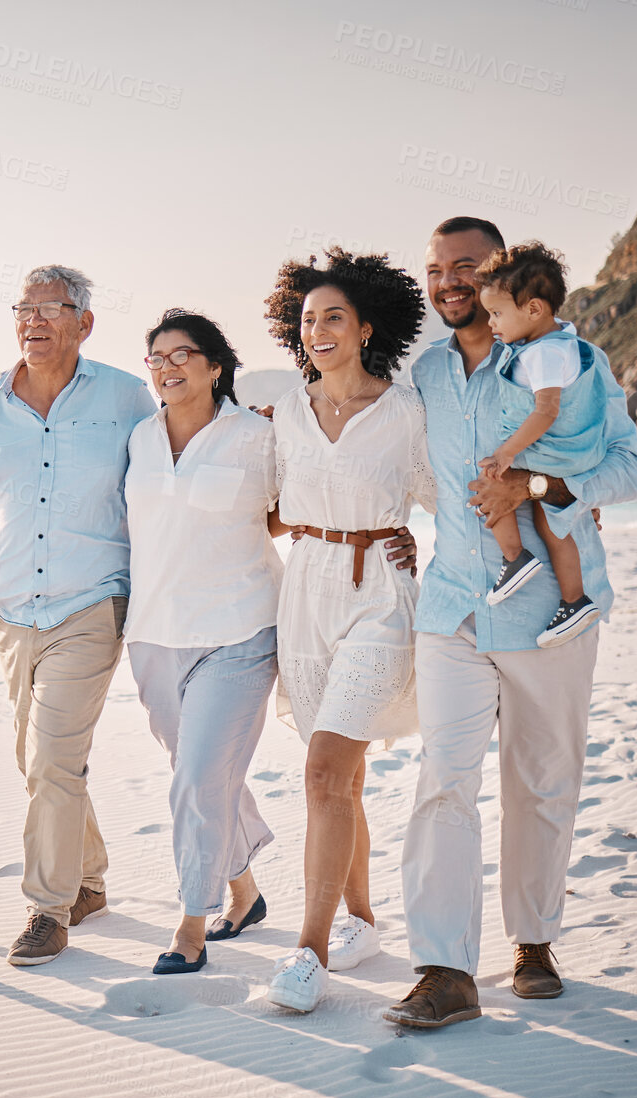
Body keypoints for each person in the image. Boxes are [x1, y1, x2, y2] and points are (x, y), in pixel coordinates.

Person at [387, 216, 637, 1030]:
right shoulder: (423, 374)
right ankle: (445, 966)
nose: (447, 281)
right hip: (454, 602)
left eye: (464, 266)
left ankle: (532, 942)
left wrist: (536, 488)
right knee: (443, 782)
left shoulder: (565, 360)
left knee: (542, 783)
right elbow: (381, 451)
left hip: (549, 615)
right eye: (434, 269)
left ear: (497, 272)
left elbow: (629, 468)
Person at [0, 264, 157, 966]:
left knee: (54, 759)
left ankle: (46, 909)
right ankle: (86, 882)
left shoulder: (126, 398)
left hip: (93, 601)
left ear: (84, 322)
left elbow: (167, 483)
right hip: (11, 610)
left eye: (50, 308)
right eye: (23, 308)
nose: (33, 321)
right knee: (37, 759)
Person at [260, 247, 433, 1014]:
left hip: (379, 601)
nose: (318, 330)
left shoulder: (406, 415)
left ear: (367, 327)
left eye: (334, 317)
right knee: (345, 777)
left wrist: (417, 540)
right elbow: (260, 508)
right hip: (304, 594)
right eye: (307, 320)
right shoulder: (284, 413)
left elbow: (449, 501)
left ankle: (310, 951)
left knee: (324, 775)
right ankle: (362, 918)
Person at [123, 310, 282, 974]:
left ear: (216, 366)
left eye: (182, 353)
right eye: (155, 357)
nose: (167, 366)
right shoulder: (137, 438)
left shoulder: (258, 436)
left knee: (196, 779)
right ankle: (244, 893)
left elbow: (294, 510)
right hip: (154, 634)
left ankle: (191, 923)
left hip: (239, 630)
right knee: (203, 777)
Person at [473, 241, 609, 647]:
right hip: (571, 457)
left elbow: (546, 410)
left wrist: (507, 452)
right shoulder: (563, 343)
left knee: (490, 485)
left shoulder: (543, 354)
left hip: (553, 452)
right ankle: (574, 599)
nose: (492, 324)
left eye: (497, 314)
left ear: (533, 309)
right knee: (552, 526)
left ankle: (514, 560)